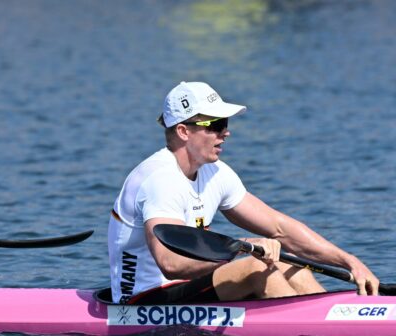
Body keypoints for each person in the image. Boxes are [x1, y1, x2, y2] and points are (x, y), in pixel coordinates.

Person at [107, 81, 378, 305]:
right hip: (143, 302)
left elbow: (280, 228)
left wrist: (349, 261)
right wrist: (240, 246)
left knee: (292, 267)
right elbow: (171, 263)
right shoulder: (160, 179)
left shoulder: (216, 172)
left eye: (225, 123)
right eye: (215, 124)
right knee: (257, 267)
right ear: (183, 131)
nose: (226, 132)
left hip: (191, 289)